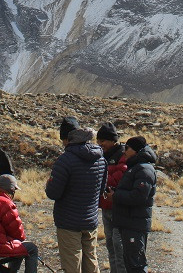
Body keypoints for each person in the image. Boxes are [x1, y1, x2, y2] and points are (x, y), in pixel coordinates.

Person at [45, 117, 106, 273]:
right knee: (91, 261)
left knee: (72, 265)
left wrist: (49, 184)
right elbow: (101, 190)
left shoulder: (65, 160)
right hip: (90, 219)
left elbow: (53, 193)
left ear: (67, 138)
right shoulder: (100, 158)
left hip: (68, 222)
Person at [111, 136, 157, 273]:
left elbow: (138, 196)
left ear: (136, 150)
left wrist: (115, 196)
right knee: (131, 264)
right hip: (130, 223)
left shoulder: (144, 169)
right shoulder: (136, 167)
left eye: (127, 148)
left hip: (135, 225)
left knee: (136, 265)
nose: (124, 151)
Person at [0, 174, 38, 273]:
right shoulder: (7, 203)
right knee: (32, 249)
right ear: (11, 190)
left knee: (17, 246)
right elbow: (18, 233)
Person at [97, 123, 128, 273]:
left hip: (117, 208)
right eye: (98, 140)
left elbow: (121, 175)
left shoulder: (122, 154)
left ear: (112, 140)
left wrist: (101, 180)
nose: (100, 144)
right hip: (106, 207)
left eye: (103, 140)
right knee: (110, 244)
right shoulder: (101, 155)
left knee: (118, 245)